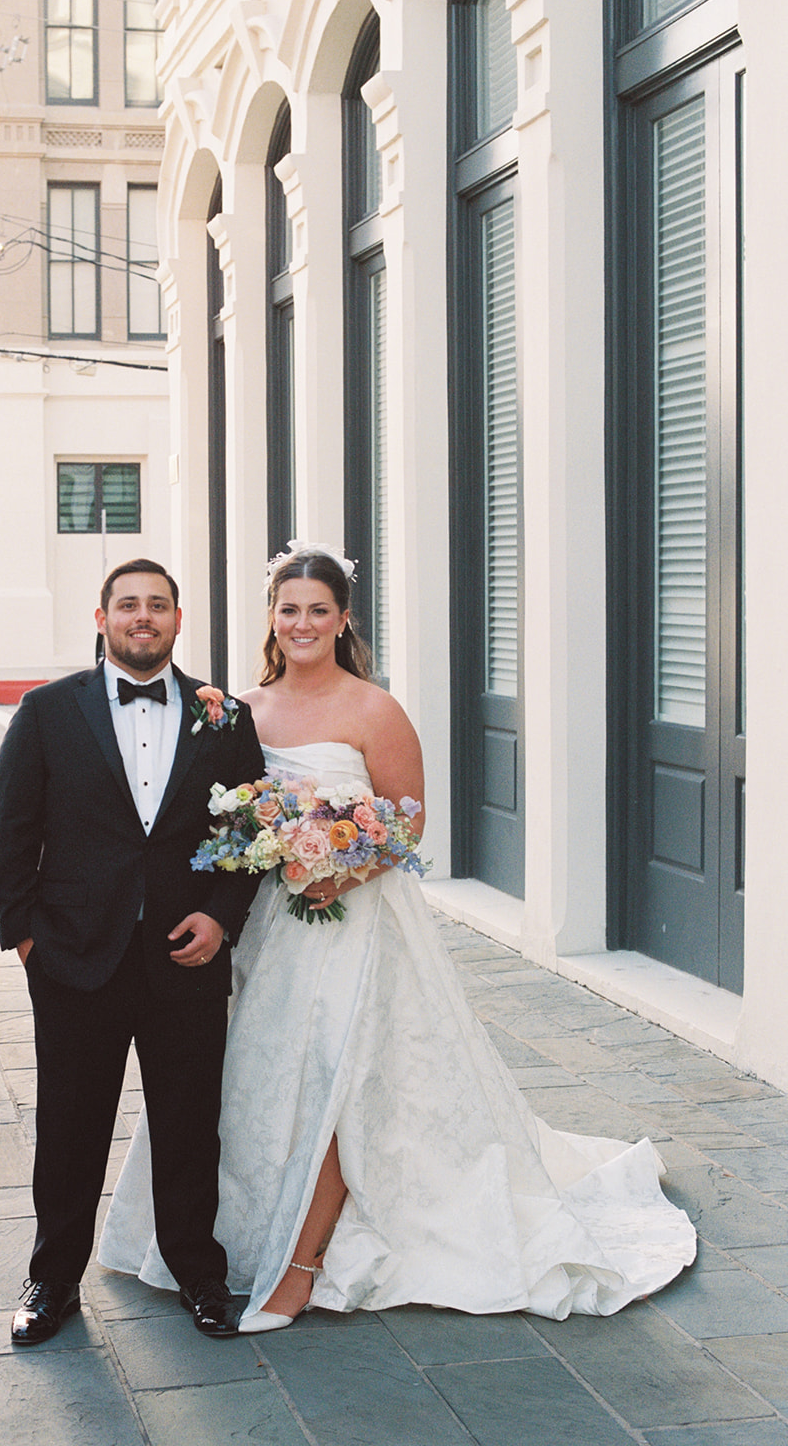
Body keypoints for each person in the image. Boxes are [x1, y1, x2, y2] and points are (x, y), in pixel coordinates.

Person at [99, 542, 696, 1329]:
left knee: (340, 1079)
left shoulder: (374, 709)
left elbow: (405, 825)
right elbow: (216, 816)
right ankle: (223, 1238)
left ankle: (302, 1265)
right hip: (265, 930)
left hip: (354, 927)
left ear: (342, 620)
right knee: (253, 1079)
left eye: (318, 610)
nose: (302, 624)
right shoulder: (239, 708)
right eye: (288, 610)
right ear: (270, 621)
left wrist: (329, 872)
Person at [0, 557, 265, 1345]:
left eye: (158, 605)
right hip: (74, 957)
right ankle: (51, 1280)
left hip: (186, 956)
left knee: (188, 1123)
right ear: (102, 619)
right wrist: (25, 937)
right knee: (71, 1125)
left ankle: (198, 1276)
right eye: (128, 605)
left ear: (178, 621)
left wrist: (220, 920)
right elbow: (11, 829)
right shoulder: (47, 711)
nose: (143, 617)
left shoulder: (225, 717)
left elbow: (245, 835)